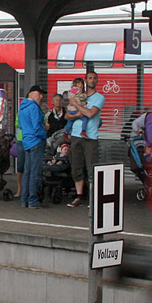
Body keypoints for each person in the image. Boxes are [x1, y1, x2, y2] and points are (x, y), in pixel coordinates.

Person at [66, 71, 105, 208]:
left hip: (90, 137)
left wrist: (75, 105)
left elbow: (90, 113)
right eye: (90, 78)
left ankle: (94, 198)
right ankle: (79, 196)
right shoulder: (78, 95)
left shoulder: (99, 98)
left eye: (95, 78)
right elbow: (67, 116)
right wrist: (76, 113)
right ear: (86, 80)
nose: (92, 80)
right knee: (76, 167)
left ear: (97, 80)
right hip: (76, 135)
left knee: (91, 168)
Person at [19, 86, 48, 209]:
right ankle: (33, 201)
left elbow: (21, 125)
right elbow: (37, 127)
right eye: (39, 93)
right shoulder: (34, 107)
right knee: (35, 173)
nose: (41, 96)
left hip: (26, 142)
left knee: (27, 172)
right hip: (36, 142)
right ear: (31, 93)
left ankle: (24, 200)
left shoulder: (22, 107)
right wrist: (44, 135)